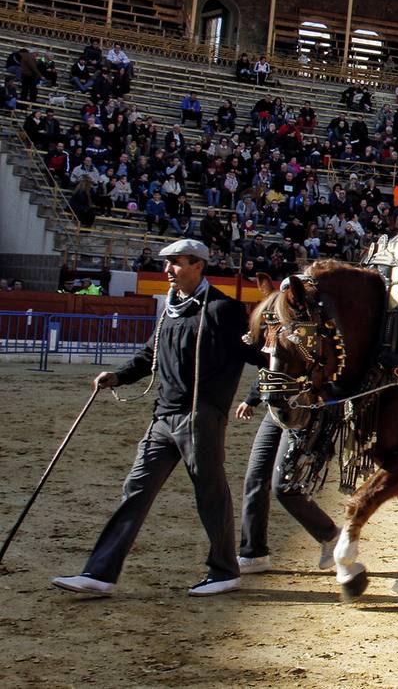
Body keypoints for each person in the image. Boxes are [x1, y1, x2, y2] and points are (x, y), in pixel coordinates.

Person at [52, 239, 266, 598]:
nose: (168, 270)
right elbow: (148, 353)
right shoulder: (171, 308)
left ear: (198, 265)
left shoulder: (222, 309)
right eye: (166, 264)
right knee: (135, 489)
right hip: (163, 417)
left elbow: (252, 353)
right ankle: (100, 573)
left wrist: (277, 370)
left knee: (210, 493)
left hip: (202, 417)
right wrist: (117, 376)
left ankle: (225, 571)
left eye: (176, 263)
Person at [233, 384, 340, 575]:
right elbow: (270, 365)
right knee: (255, 477)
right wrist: (254, 396)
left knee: (284, 485)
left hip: (305, 409)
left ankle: (331, 535)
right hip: (276, 407)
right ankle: (253, 554)